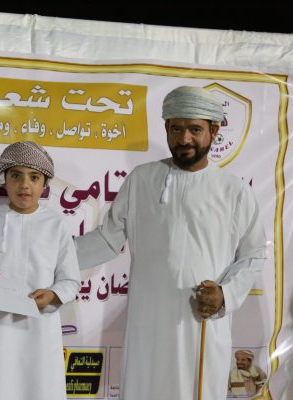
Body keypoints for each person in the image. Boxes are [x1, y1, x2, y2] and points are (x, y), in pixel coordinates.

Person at [75, 86, 267, 399]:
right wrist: (47, 256)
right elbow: (107, 240)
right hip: (147, 327)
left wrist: (226, 294)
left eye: (195, 130)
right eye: (176, 129)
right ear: (166, 128)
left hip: (199, 324)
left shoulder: (234, 191)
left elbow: (253, 255)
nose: (184, 139)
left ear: (213, 131)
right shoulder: (141, 179)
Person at [0, 141, 81, 400]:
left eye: (34, 177)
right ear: (4, 180)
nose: (24, 185)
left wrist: (52, 294)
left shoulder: (56, 225)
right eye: (16, 176)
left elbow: (71, 281)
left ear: (44, 184)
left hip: (39, 332)